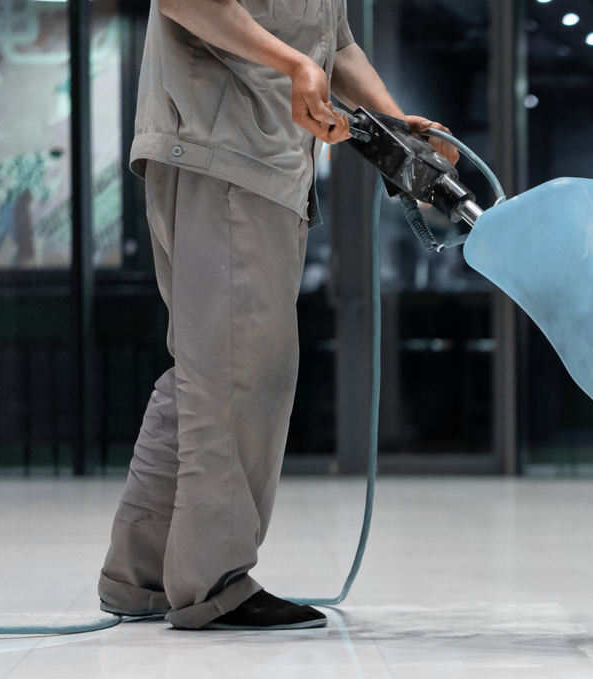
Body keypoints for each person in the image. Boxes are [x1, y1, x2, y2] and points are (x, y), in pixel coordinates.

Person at [97, 0, 457, 630]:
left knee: (208, 371)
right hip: (221, 149)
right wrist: (291, 64)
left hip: (263, 164)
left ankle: (141, 573)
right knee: (240, 374)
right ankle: (214, 583)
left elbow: (335, 45)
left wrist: (395, 122)